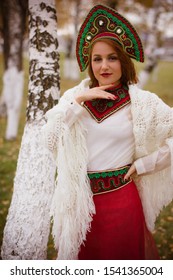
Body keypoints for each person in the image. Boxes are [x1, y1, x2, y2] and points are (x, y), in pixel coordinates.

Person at [42, 4, 173, 260]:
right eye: (97, 59)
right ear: (89, 63)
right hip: (80, 208)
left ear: (123, 61)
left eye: (112, 57)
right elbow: (49, 139)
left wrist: (146, 163)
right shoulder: (74, 98)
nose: (104, 66)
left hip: (122, 202)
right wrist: (79, 102)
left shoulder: (142, 102)